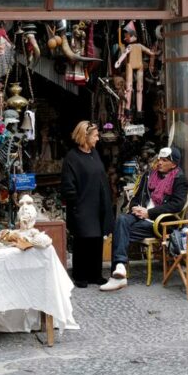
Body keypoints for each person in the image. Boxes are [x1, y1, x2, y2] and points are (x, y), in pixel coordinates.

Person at [100, 146, 188, 292]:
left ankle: (118, 274)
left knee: (120, 231)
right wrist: (135, 207)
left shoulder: (180, 179)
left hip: (159, 222)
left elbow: (176, 205)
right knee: (121, 220)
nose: (159, 162)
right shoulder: (149, 175)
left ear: (173, 164)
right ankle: (120, 268)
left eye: (164, 160)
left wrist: (149, 213)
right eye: (159, 158)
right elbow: (136, 197)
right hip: (140, 216)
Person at [61, 121, 114, 288]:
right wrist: (75, 202)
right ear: (85, 136)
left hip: (97, 204)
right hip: (82, 204)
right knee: (83, 239)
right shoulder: (72, 157)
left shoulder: (94, 153)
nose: (98, 138)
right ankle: (80, 275)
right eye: (95, 135)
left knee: (97, 238)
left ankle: (95, 274)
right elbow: (68, 184)